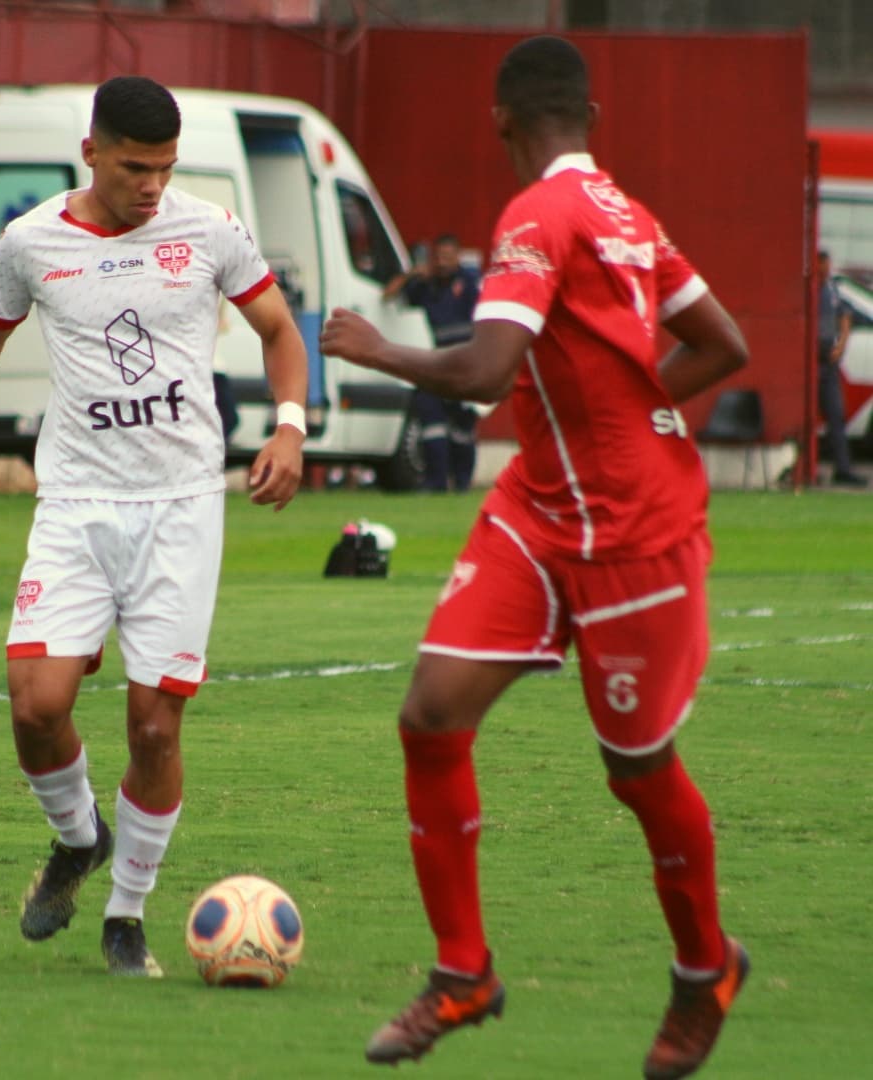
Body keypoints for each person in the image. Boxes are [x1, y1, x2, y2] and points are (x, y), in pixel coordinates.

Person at [320, 36, 750, 1077]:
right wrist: (625, 406)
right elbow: (724, 346)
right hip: (537, 511)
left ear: (502, 123)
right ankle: (463, 973)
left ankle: (706, 969)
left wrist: (377, 349)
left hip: (634, 535)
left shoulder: (536, 215)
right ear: (591, 116)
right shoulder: (628, 217)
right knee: (430, 715)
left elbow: (482, 370)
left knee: (636, 767)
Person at [0, 76, 308, 976]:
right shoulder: (32, 242)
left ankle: (126, 916)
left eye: (163, 167)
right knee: (36, 705)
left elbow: (278, 328)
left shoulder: (209, 233)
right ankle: (79, 839)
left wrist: (288, 425)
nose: (152, 185)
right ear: (91, 152)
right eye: (132, 167)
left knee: (155, 728)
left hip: (182, 506)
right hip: (76, 503)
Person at [384, 235, 481, 491]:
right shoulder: (426, 286)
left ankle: (461, 484)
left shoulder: (470, 283)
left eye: (448, 257)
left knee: (462, 426)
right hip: (436, 361)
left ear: (458, 257)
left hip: (466, 360)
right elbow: (388, 296)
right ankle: (435, 483)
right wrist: (413, 274)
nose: (442, 262)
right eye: (438, 257)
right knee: (431, 420)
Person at [815, 249, 866, 486]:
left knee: (836, 415)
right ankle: (806, 466)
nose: (825, 268)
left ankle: (842, 468)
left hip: (828, 359)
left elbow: (846, 315)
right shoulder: (808, 290)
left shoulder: (832, 289)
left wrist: (841, 344)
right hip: (810, 360)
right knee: (805, 417)